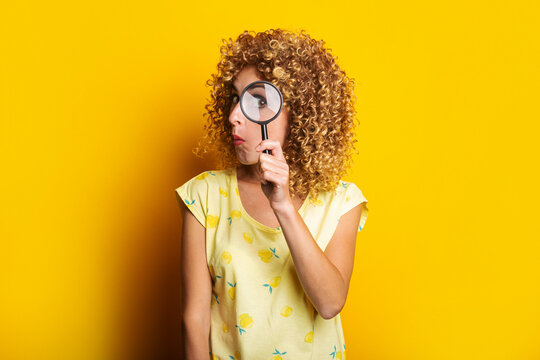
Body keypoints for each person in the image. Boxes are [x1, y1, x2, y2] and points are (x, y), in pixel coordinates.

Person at [175, 28, 369, 359]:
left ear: (301, 115)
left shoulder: (342, 201)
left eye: (259, 101)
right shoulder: (204, 195)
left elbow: (330, 303)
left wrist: (284, 207)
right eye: (235, 99)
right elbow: (195, 318)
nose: (235, 116)